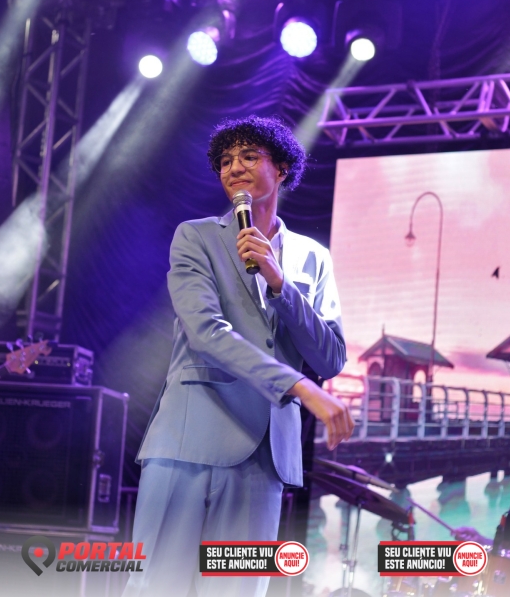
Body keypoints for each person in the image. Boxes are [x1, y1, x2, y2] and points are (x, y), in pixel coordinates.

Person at [124, 115, 354, 597]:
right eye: (225, 161)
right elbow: (206, 332)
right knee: (156, 586)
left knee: (237, 589)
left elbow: (331, 357)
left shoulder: (313, 257)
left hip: (265, 456)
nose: (234, 168)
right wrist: (298, 386)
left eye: (249, 156)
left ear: (282, 168)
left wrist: (281, 283)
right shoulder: (196, 237)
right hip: (189, 439)